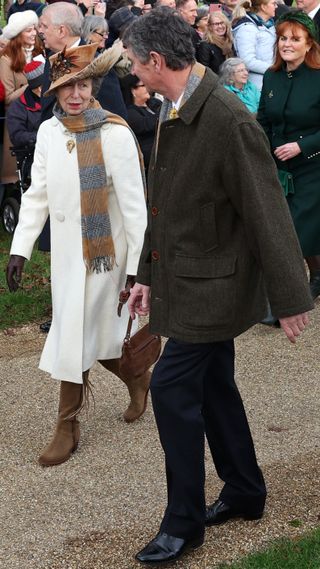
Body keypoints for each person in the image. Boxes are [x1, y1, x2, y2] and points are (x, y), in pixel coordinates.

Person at [123, 7, 313, 565]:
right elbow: (164, 203)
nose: (133, 72)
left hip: (214, 289)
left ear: (158, 62)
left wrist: (291, 298)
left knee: (173, 390)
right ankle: (246, 491)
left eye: (136, 63)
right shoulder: (173, 104)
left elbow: (267, 211)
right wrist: (147, 277)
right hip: (185, 278)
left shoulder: (228, 120)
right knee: (213, 387)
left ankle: (183, 522)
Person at [6, 43, 148, 468]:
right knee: (95, 339)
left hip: (109, 257)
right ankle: (139, 379)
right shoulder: (50, 132)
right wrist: (21, 248)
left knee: (77, 335)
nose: (75, 95)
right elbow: (38, 193)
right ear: (55, 91)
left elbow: (134, 206)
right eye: (67, 87)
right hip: (69, 257)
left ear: (93, 87)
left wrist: (138, 270)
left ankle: (66, 425)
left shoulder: (115, 132)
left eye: (83, 85)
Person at [257, 9, 320, 300]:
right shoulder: (271, 78)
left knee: (296, 231)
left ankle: (291, 292)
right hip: (279, 169)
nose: (287, 43)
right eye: (283, 38)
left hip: (313, 166)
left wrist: (302, 145)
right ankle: (316, 274)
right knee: (286, 229)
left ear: (309, 44)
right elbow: (263, 121)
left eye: (295, 39)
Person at [0, 10, 43, 183]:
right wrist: (31, 84)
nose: (34, 33)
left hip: (40, 113)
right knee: (17, 177)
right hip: (18, 118)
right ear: (18, 34)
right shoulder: (6, 60)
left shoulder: (40, 52)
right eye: (28, 30)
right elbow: (8, 98)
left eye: (34, 29)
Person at [120, 73, 161, 170]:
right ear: (133, 90)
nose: (147, 87)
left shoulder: (154, 103)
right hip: (151, 163)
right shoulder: (130, 113)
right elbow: (147, 124)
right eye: (143, 85)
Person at [232, 0, 277, 90]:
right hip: (257, 86)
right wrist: (275, 69)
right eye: (273, 3)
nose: (276, 6)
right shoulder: (247, 28)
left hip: (272, 81)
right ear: (263, 7)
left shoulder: (270, 25)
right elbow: (247, 61)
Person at [6, 57, 44, 148]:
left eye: (43, 86)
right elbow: (16, 136)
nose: (40, 91)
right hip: (33, 152)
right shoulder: (17, 107)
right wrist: (41, 137)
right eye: (36, 88)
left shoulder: (58, 97)